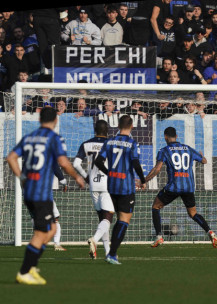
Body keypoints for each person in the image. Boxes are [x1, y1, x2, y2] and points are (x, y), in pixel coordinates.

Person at [6, 107, 85, 285]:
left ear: (39, 119)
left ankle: (31, 266)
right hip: (41, 193)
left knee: (51, 229)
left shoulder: (29, 137)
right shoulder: (53, 138)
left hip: (29, 190)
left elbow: (11, 158)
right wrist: (77, 177)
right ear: (55, 121)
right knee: (43, 232)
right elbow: (64, 163)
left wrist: (22, 177)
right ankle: (25, 271)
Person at [145, 127, 217, 248]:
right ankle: (210, 232)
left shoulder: (164, 150)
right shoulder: (188, 148)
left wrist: (145, 180)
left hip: (174, 187)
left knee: (156, 207)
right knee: (193, 214)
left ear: (165, 137)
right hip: (189, 187)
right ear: (177, 136)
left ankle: (159, 236)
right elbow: (204, 161)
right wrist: (201, 155)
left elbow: (157, 169)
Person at [94, 115, 146, 264]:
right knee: (123, 220)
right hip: (126, 187)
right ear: (132, 127)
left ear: (117, 125)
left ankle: (110, 252)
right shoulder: (132, 143)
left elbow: (98, 161)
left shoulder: (109, 141)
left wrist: (109, 172)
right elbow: (136, 163)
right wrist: (143, 180)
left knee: (116, 219)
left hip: (111, 186)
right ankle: (112, 254)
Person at [73, 120, 115, 259]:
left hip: (93, 184)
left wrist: (85, 177)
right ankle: (95, 240)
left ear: (94, 130)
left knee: (103, 220)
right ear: (107, 130)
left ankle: (108, 252)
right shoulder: (110, 143)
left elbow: (76, 163)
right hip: (107, 183)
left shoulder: (86, 144)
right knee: (108, 217)